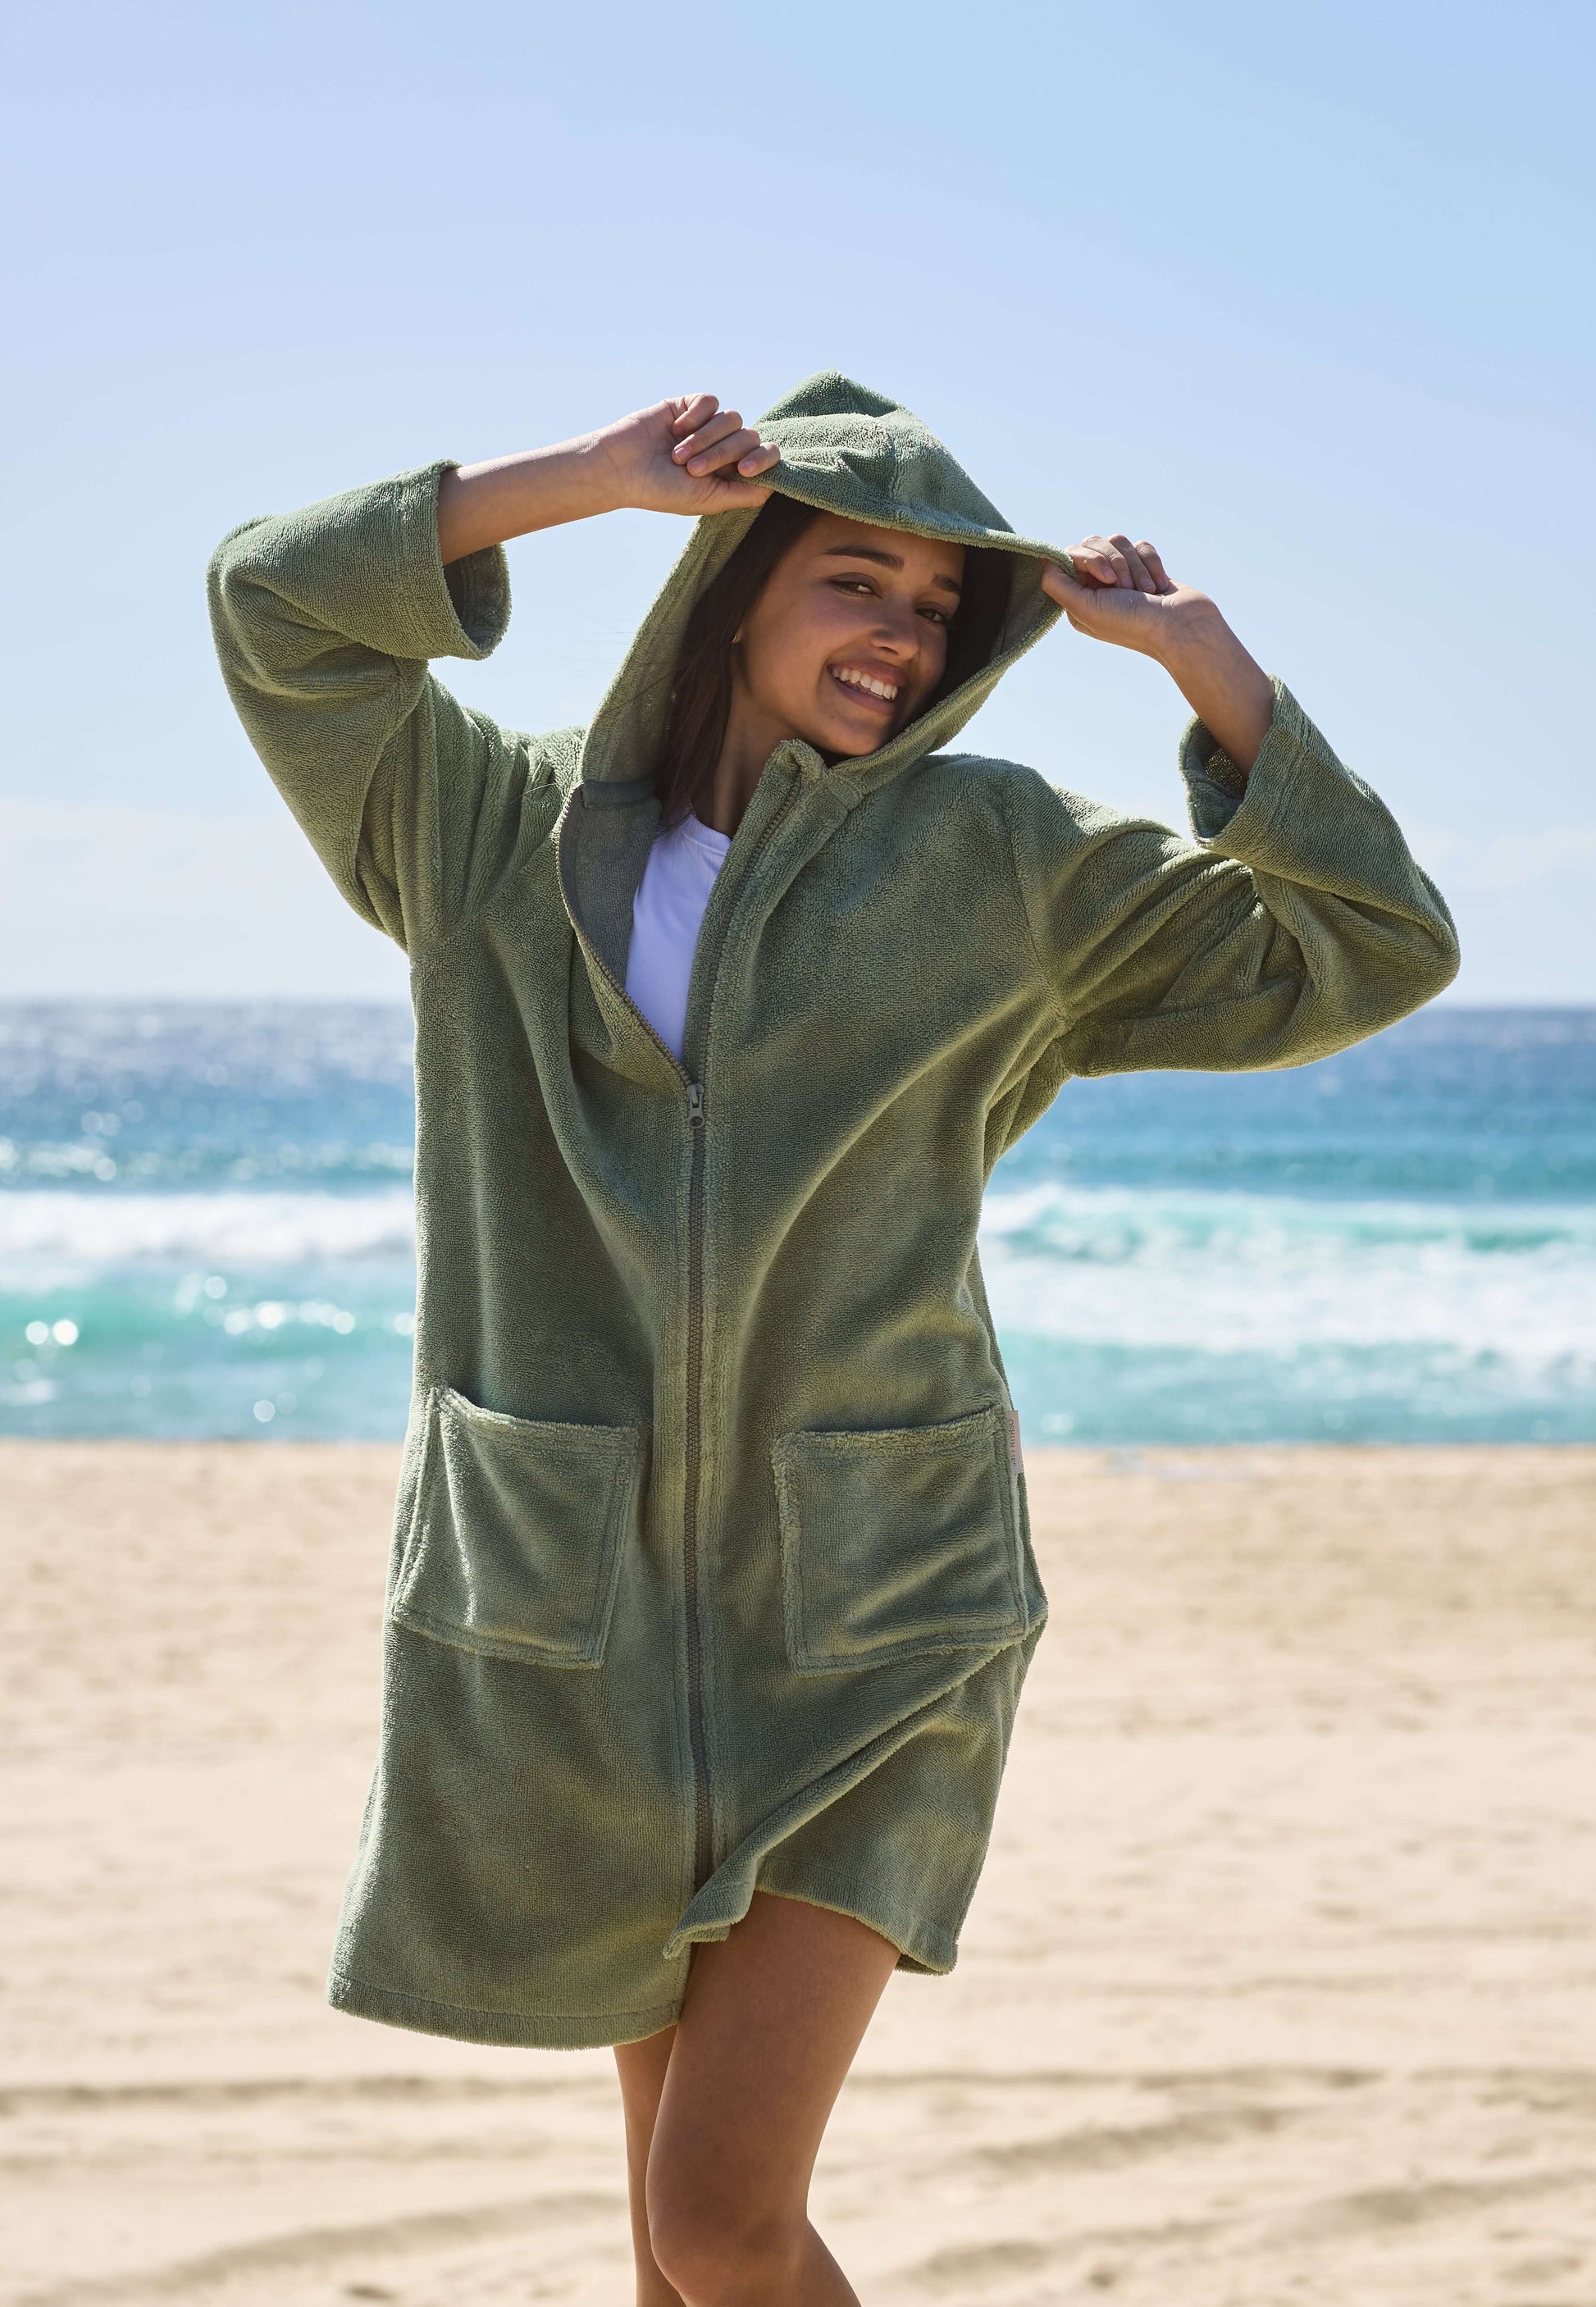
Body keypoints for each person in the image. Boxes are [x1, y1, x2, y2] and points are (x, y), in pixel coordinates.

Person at [207, 372, 1458, 2306]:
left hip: (876, 1610)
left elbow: (1368, 942)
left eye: (934, 608)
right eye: (851, 580)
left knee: (718, 2216)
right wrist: (592, 481)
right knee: (673, 2247)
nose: (897, 633)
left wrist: (1212, 674)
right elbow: (274, 602)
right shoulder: (481, 835)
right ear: (731, 587)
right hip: (582, 1604)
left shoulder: (1005, 864)